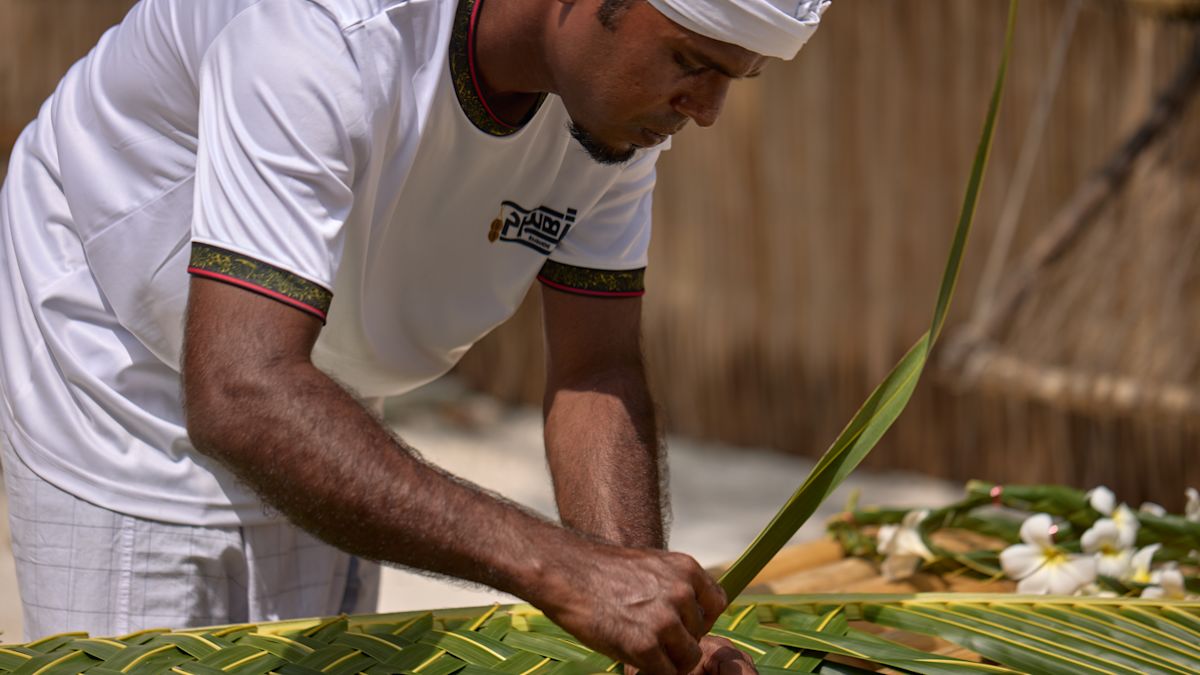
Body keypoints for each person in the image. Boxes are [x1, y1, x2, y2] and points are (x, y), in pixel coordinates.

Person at [0, 0, 828, 671]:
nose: (709, 112)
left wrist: (650, 623)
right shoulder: (324, 33)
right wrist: (560, 567)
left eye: (734, 79)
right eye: (692, 62)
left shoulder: (613, 116)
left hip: (308, 358)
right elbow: (238, 393)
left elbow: (595, 371)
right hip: (121, 349)